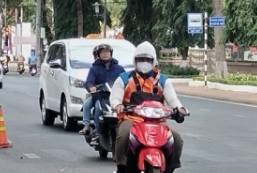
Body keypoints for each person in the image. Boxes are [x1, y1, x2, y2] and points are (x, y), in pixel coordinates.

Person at [110, 41, 187, 173]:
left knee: (177, 139)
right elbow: (115, 95)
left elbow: (173, 99)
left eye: (148, 59)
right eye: (141, 59)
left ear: (153, 61)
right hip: (132, 119)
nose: (144, 62)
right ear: (135, 61)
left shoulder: (163, 80)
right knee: (123, 135)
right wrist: (118, 105)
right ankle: (121, 167)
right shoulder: (124, 78)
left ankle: (170, 168)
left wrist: (180, 109)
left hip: (158, 122)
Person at [80, 44, 124, 137]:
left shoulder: (119, 68)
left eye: (107, 52)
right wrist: (91, 87)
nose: (105, 54)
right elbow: (89, 82)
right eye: (102, 52)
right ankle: (89, 126)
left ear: (111, 54)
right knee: (89, 105)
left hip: (113, 96)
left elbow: (125, 80)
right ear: (98, 55)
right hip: (98, 96)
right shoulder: (94, 69)